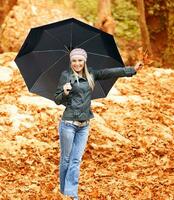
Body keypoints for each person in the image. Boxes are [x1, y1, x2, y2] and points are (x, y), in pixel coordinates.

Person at [54, 48, 143, 200]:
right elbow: (57, 100)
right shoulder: (66, 76)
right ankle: (65, 193)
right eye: (74, 60)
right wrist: (65, 92)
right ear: (71, 62)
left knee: (76, 160)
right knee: (66, 160)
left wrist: (132, 70)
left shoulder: (92, 74)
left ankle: (71, 194)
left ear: (85, 61)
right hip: (68, 124)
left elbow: (111, 72)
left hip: (84, 125)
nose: (77, 63)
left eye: (80, 60)